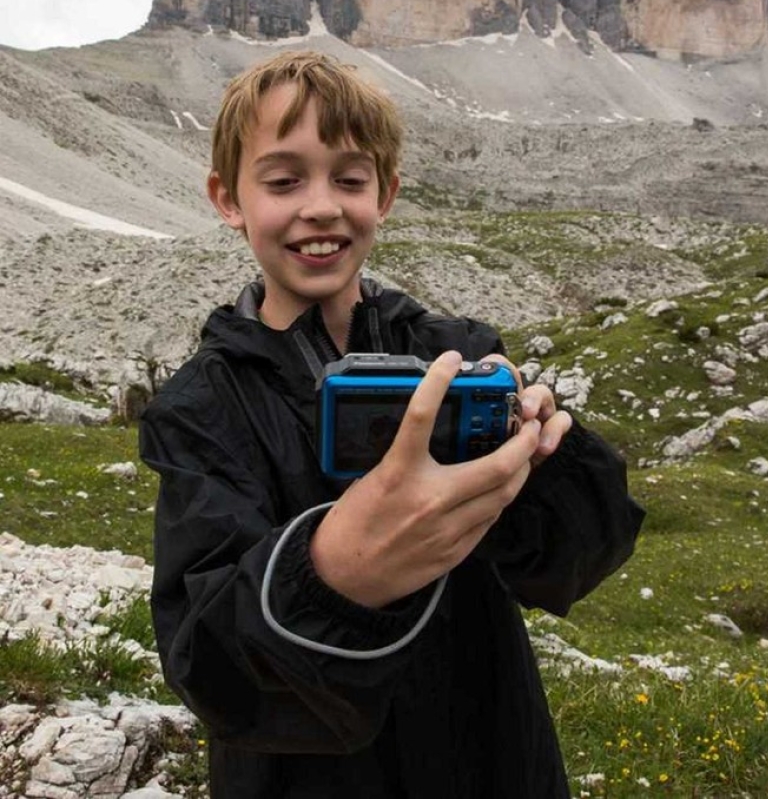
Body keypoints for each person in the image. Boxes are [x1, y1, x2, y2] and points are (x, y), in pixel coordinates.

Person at [139, 49, 644, 799]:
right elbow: (205, 660)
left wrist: (544, 462)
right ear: (228, 198)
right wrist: (333, 569)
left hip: (488, 754)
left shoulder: (459, 353)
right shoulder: (199, 408)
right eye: (283, 181)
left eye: (349, 178)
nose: (321, 206)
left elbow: (581, 556)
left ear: (387, 194)